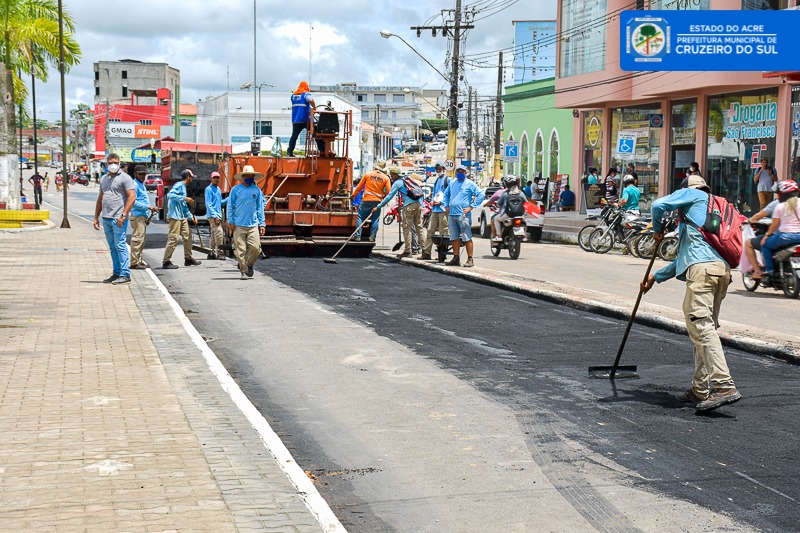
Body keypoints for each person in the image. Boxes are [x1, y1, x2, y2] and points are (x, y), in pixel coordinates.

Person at [641, 175, 740, 412]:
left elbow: (657, 205)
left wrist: (656, 231)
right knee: (704, 330)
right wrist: (655, 277)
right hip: (720, 271)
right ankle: (699, 389)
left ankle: (724, 385)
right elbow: (684, 260)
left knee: (701, 327)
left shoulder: (693, 195)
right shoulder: (710, 208)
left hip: (704, 272)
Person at [92, 153, 136, 285]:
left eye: (116, 162)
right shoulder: (104, 179)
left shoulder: (125, 178)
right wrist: (96, 217)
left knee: (120, 245)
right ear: (106, 164)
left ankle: (125, 273)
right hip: (106, 218)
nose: (113, 165)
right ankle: (116, 272)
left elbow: (132, 197)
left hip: (118, 218)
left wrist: (123, 215)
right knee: (112, 247)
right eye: (111, 162)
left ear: (120, 163)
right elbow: (101, 198)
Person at [373, 168, 427, 258]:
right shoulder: (408, 180)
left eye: (392, 175)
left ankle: (407, 251)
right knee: (419, 228)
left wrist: (379, 206)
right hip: (418, 205)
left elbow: (389, 196)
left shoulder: (397, 183)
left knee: (407, 228)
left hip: (409, 206)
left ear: (396, 175)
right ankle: (425, 251)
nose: (391, 177)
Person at [441, 164, 485, 267]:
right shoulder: (452, 183)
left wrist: (471, 206)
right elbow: (446, 195)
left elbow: (481, 194)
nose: (460, 173)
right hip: (452, 214)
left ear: (465, 173)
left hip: (463, 215)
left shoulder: (470, 184)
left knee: (466, 237)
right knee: (454, 237)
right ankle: (456, 258)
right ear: (456, 172)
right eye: (458, 171)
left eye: (462, 171)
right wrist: (446, 205)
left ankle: (470, 259)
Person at [755, 180, 800, 279]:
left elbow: (774, 225)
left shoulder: (779, 206)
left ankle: (770, 270)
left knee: (765, 245)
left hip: (785, 237)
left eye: (778, 193)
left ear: (783, 194)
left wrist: (766, 236)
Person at [227, 165, 266, 280]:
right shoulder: (235, 190)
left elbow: (260, 208)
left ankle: (249, 264)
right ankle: (243, 270)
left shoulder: (256, 190)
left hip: (253, 225)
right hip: (239, 225)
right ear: (243, 177)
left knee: (255, 248)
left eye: (251, 176)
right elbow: (230, 206)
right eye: (247, 176)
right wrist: (230, 220)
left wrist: (262, 223)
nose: (250, 178)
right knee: (240, 250)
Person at [162, 169, 201, 269]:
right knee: (173, 238)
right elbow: (170, 195)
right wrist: (185, 198)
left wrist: (191, 217)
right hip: (175, 217)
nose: (192, 179)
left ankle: (188, 258)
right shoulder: (179, 185)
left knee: (188, 236)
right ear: (188, 177)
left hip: (181, 216)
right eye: (192, 177)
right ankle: (166, 261)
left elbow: (183, 206)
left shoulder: (183, 187)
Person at [351, 161, 391, 242]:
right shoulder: (386, 178)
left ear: (375, 167)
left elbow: (359, 186)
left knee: (360, 217)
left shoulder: (368, 174)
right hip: (377, 201)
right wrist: (382, 196)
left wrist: (353, 195)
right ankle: (372, 237)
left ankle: (357, 236)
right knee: (375, 219)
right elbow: (388, 191)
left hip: (366, 200)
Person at [743, 196, 781, 278]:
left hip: (782, 236)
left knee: (762, 243)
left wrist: (749, 221)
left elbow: (773, 224)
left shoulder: (779, 205)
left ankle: (759, 271)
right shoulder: (797, 203)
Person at [129, 165, 158, 270]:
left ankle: (139, 261)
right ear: (135, 174)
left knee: (141, 239)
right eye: (140, 174)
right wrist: (148, 207)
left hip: (142, 216)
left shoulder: (141, 184)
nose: (142, 176)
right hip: (137, 215)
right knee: (137, 239)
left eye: (144, 174)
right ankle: (134, 262)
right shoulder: (134, 185)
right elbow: (133, 201)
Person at [287, 81, 324, 157]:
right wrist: (314, 108)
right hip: (305, 120)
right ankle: (322, 151)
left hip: (296, 120)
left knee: (294, 136)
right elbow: (310, 100)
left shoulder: (293, 96)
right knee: (316, 133)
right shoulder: (306, 94)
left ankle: (289, 152)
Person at [422, 164, 450, 261]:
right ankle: (426, 252)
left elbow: (450, 194)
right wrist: (432, 201)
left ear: (444, 169)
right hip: (435, 209)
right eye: (437, 169)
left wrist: (442, 202)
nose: (438, 171)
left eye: (440, 169)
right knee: (430, 230)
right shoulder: (437, 180)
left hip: (442, 209)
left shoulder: (448, 180)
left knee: (443, 232)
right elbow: (435, 193)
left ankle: (442, 254)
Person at [492, 174, 525, 243]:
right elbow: (526, 203)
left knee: (496, 219)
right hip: (520, 214)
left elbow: (498, 203)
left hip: (508, 214)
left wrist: (495, 206)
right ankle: (524, 235)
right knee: (524, 222)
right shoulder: (521, 193)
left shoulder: (505, 194)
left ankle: (499, 236)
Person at [205, 171, 228, 260]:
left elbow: (219, 203)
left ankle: (211, 252)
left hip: (217, 214)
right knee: (219, 233)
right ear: (211, 179)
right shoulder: (209, 189)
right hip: (213, 215)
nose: (216, 179)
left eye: (217, 178)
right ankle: (219, 252)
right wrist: (215, 216)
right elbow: (209, 204)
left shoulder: (218, 189)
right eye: (214, 178)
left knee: (214, 233)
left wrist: (227, 199)